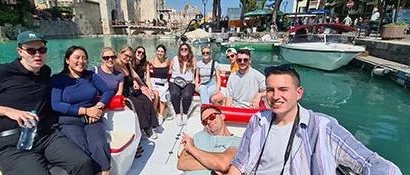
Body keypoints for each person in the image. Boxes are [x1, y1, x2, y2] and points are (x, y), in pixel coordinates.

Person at [227, 64, 402, 175]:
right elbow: (239, 164)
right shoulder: (258, 121)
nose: (275, 96)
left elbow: (369, 162)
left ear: (299, 93)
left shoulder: (323, 127)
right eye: (270, 90)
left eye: (283, 89)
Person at [0, 31, 93, 175]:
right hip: (12, 144)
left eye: (41, 50)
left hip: (45, 135)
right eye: (31, 50)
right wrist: (8, 111)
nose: (37, 54)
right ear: (20, 51)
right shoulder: (1, 72)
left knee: (82, 163)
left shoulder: (45, 72)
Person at [51, 46, 115, 175]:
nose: (81, 61)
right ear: (67, 60)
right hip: (69, 121)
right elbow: (56, 104)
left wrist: (98, 107)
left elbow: (108, 91)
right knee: (81, 150)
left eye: (84, 58)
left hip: (92, 119)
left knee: (99, 146)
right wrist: (85, 111)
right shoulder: (57, 79)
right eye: (77, 57)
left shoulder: (91, 76)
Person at [178, 106, 241, 174]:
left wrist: (191, 148)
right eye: (204, 122)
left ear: (222, 116)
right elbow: (181, 163)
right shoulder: (199, 136)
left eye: (212, 117)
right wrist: (214, 164)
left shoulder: (237, 141)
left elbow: (223, 164)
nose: (208, 122)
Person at [114, 46, 159, 139]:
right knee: (138, 104)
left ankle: (150, 127)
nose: (128, 58)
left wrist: (143, 86)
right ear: (120, 54)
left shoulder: (127, 64)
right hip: (123, 92)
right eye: (126, 55)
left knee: (146, 100)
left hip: (131, 90)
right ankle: (143, 128)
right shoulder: (114, 65)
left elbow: (134, 75)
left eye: (130, 57)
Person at [169, 43, 198, 126]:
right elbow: (169, 70)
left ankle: (185, 114)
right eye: (182, 49)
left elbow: (196, 72)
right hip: (175, 81)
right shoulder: (175, 59)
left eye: (186, 49)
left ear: (189, 50)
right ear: (179, 50)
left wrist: (196, 82)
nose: (184, 51)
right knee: (174, 94)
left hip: (189, 82)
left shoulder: (193, 59)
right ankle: (178, 114)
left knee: (187, 95)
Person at [146, 44, 170, 123]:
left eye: (162, 51)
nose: (160, 53)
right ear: (156, 52)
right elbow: (148, 75)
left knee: (163, 97)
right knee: (155, 94)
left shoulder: (167, 61)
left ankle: (161, 115)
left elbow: (171, 71)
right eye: (158, 51)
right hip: (154, 82)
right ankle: (153, 114)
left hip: (164, 82)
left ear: (165, 53)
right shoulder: (151, 61)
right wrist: (148, 85)